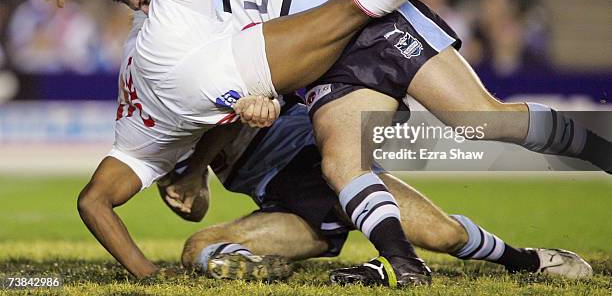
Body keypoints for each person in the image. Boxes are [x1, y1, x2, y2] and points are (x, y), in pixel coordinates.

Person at [30, 0, 518, 285]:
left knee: (439, 228)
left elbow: (106, 196)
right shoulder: (171, 40)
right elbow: (188, 198)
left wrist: (235, 119)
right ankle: (517, 258)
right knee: (204, 242)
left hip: (300, 140)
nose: (147, 9)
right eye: (138, 6)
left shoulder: (175, 26)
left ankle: (525, 258)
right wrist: (209, 153)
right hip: (281, 184)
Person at [155, 103, 593, 282]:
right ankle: (256, 265)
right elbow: (196, 209)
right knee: (198, 246)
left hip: (320, 163)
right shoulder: (166, 121)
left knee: (444, 237)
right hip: (285, 205)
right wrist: (187, 181)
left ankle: (526, 259)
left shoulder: (227, 60)